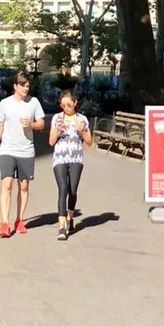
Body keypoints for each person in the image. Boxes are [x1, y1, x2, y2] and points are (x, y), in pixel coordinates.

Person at [0, 70, 45, 238]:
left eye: (28, 86)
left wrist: (32, 125)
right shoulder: (5, 104)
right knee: (7, 185)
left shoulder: (33, 102)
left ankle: (19, 220)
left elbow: (42, 123)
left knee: (24, 186)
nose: (26, 88)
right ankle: (5, 223)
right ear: (15, 86)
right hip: (7, 149)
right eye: (23, 85)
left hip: (26, 150)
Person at [48, 87, 93, 241]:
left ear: (75, 103)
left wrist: (83, 132)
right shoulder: (57, 119)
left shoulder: (82, 119)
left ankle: (70, 216)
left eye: (68, 105)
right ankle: (61, 227)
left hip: (76, 159)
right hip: (60, 158)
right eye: (63, 105)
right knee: (63, 190)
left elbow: (89, 142)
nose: (66, 108)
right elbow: (51, 141)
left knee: (72, 191)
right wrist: (56, 130)